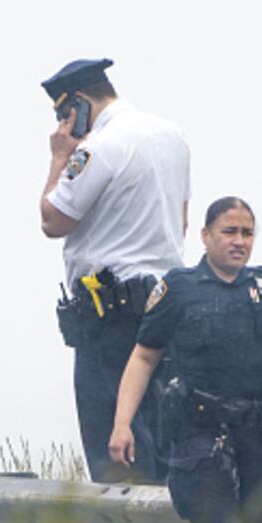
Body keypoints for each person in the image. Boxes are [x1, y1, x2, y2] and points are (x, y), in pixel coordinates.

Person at [109, 197, 262, 523]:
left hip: (261, 435)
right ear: (206, 235)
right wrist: (122, 425)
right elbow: (144, 357)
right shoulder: (179, 288)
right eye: (229, 232)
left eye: (247, 233)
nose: (239, 241)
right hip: (203, 435)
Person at [40, 58, 190, 484]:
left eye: (63, 115)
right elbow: (181, 220)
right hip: (166, 301)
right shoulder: (172, 136)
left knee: (115, 445)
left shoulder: (99, 146)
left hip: (112, 314)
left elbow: (52, 220)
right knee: (163, 435)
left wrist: (59, 157)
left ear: (78, 105)